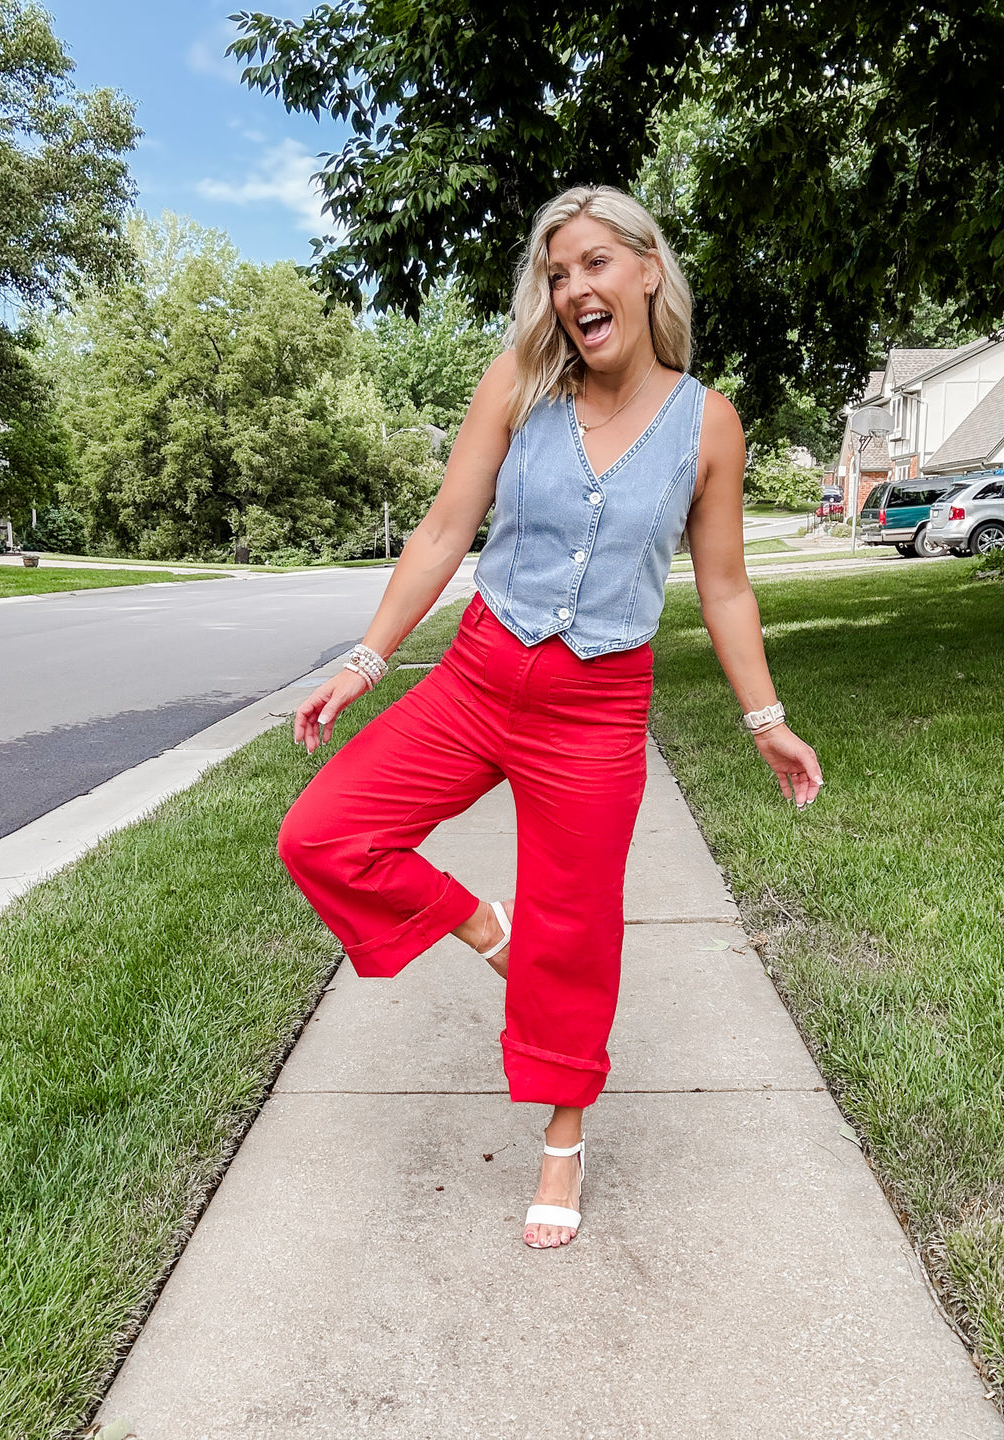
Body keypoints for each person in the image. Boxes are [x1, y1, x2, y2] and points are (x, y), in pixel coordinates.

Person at [278, 185, 823, 1250]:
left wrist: (767, 721)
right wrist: (365, 659)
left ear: (649, 269)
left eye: (594, 263)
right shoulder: (518, 383)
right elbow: (443, 531)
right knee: (323, 834)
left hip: (597, 710)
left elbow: (724, 588)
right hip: (479, 676)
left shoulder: (708, 424)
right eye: (557, 272)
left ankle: (563, 1140)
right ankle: (486, 929)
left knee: (575, 937)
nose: (574, 287)